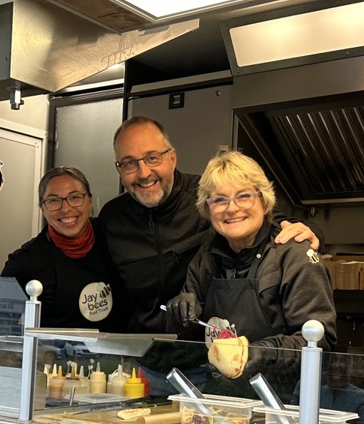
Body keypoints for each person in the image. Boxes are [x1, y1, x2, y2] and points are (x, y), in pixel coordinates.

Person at [98, 116, 320, 334]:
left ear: (172, 157)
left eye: (152, 158)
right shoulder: (111, 218)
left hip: (203, 351)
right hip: (142, 352)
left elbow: (263, 218)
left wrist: (310, 233)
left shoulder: (209, 194)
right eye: (129, 163)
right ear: (119, 169)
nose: (144, 173)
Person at [166, 151, 337, 384]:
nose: (232, 208)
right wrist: (181, 319)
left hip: (286, 403)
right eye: (219, 200)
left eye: (244, 196)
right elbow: (189, 350)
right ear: (207, 210)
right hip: (223, 399)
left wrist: (260, 352)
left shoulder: (294, 256)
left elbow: (319, 343)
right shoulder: (205, 259)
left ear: (265, 202)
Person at [0, 166, 130, 331]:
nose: (66, 208)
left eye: (75, 197)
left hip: (122, 353)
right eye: (53, 200)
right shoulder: (23, 263)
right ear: (43, 209)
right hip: (56, 355)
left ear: (89, 200)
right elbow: (4, 329)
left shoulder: (116, 238)